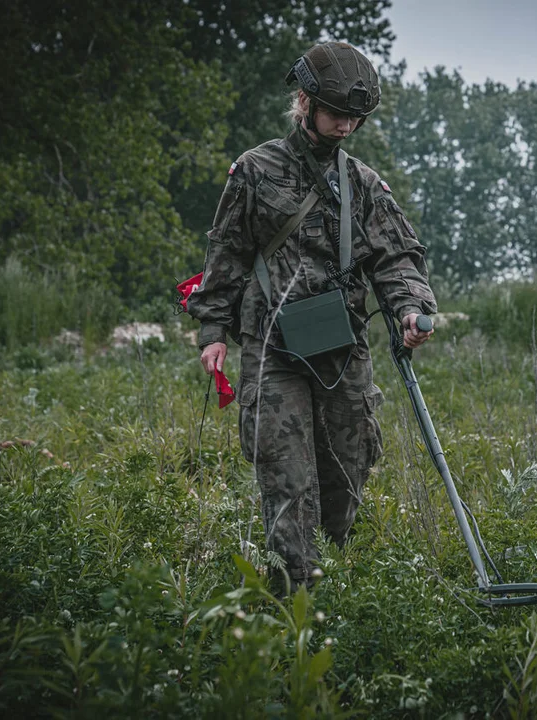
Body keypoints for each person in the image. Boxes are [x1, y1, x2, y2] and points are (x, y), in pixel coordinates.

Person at [187, 42, 437, 591]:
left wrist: (410, 310)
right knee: (285, 474)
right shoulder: (255, 170)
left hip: (341, 346)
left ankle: (335, 578)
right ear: (305, 102)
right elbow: (226, 251)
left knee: (347, 469)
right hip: (272, 347)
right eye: (337, 113)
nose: (346, 126)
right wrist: (212, 329)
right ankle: (295, 597)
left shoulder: (365, 184)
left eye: (356, 118)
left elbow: (396, 257)